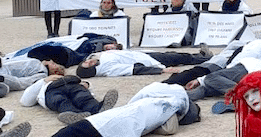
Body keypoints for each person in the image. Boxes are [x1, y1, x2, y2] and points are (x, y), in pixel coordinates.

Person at [3, 81, 198, 137]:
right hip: (139, 125)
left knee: (70, 132)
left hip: (128, 114)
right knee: (80, 135)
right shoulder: (176, 107)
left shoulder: (167, 91)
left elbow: (145, 91)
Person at [75, 46, 211, 78]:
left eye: (86, 62)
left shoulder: (96, 58)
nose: (90, 62)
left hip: (139, 53)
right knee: (177, 58)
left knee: (174, 55)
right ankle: (206, 58)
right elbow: (135, 70)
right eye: (89, 65)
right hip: (146, 60)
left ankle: (200, 55)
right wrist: (161, 70)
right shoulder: (108, 69)